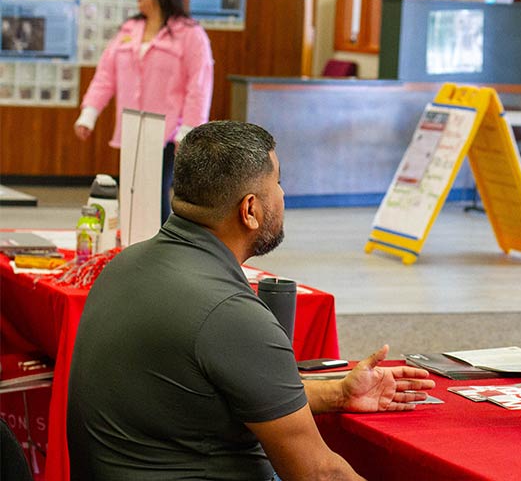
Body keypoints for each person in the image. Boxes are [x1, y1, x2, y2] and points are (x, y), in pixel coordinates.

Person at [67, 120, 436, 479]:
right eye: (278, 182)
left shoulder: (124, 266)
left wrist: (338, 393)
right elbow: (318, 473)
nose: (283, 194)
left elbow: (227, 392)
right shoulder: (230, 313)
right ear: (250, 210)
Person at [73, 0, 214, 224]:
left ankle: (161, 246)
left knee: (156, 190)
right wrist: (89, 114)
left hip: (168, 132)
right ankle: (134, 243)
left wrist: (189, 129)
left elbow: (200, 85)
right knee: (131, 190)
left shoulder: (190, 33)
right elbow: (105, 75)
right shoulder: (129, 29)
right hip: (132, 127)